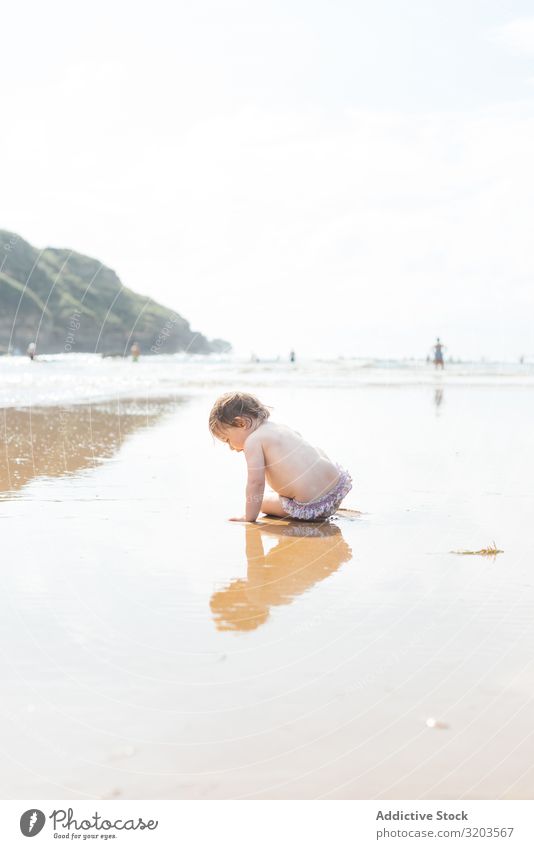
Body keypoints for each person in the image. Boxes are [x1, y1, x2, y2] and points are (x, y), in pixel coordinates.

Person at [209, 391, 352, 522]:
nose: (231, 447)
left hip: (312, 506)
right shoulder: (279, 427)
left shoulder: (252, 442)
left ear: (242, 423)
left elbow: (256, 483)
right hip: (336, 490)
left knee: (264, 502)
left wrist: (249, 517)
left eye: (227, 440)